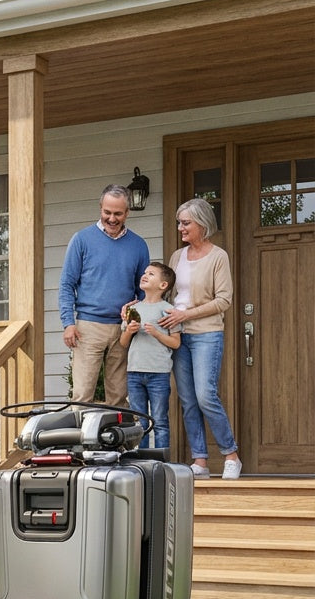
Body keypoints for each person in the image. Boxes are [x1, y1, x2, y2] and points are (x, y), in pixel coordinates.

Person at [158, 198, 242, 480]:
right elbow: (166, 295)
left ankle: (231, 454)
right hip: (178, 336)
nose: (180, 228)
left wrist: (186, 315)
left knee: (206, 396)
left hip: (206, 333)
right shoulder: (176, 257)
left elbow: (224, 300)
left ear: (202, 224)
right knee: (188, 399)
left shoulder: (218, 256)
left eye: (186, 223)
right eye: (179, 222)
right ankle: (200, 461)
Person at [58, 184, 152, 405]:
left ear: (127, 212)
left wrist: (136, 309)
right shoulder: (82, 239)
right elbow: (66, 285)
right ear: (100, 208)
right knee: (82, 395)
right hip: (88, 328)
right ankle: (81, 440)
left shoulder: (138, 245)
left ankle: (117, 440)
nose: (112, 218)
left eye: (118, 213)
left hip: (123, 328)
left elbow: (143, 289)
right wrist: (68, 323)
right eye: (107, 212)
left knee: (119, 396)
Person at [120, 261, 180, 449]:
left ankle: (161, 463)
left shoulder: (168, 310)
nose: (144, 275)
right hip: (135, 372)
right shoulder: (133, 309)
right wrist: (129, 331)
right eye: (145, 273)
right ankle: (143, 461)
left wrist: (156, 333)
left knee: (160, 420)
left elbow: (176, 342)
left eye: (151, 274)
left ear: (163, 285)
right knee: (141, 423)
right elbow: (123, 343)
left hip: (159, 374)